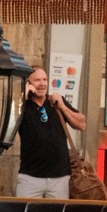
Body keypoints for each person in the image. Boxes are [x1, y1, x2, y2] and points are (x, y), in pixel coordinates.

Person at [13, 66, 84, 198]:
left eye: (44, 79)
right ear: (28, 83)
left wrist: (62, 106)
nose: (42, 84)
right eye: (37, 80)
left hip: (60, 177)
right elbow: (9, 123)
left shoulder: (56, 101)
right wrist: (23, 95)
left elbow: (81, 124)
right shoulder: (22, 106)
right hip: (30, 177)